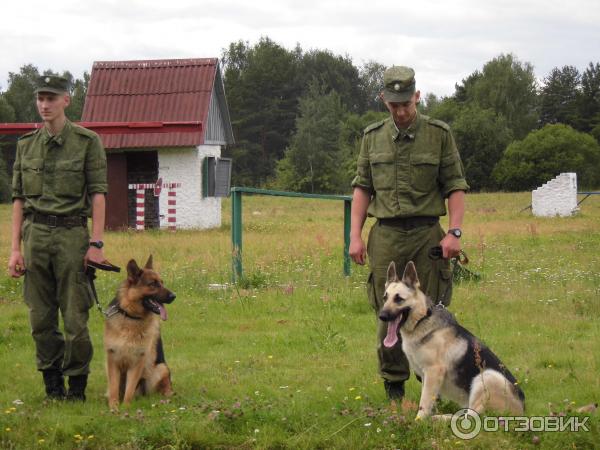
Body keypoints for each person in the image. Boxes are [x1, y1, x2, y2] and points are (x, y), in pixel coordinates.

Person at [349, 66, 469, 400]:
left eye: (407, 103)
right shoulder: (372, 138)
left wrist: (454, 233)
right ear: (383, 100)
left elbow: (455, 186)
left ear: (417, 96)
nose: (401, 112)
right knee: (388, 312)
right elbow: (362, 188)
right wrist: (355, 236)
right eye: (394, 105)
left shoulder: (439, 134)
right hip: (385, 236)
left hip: (426, 236)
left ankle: (434, 385)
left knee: (430, 314)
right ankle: (395, 389)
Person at [7, 75, 108, 401]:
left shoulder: (86, 141)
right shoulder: (26, 145)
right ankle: (53, 387)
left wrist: (95, 243)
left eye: (51, 98)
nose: (45, 104)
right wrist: (14, 250)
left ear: (67, 99)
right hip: (35, 236)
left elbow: (98, 194)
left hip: (71, 236)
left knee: (76, 318)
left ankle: (77, 387)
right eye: (40, 98)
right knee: (40, 318)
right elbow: (19, 199)